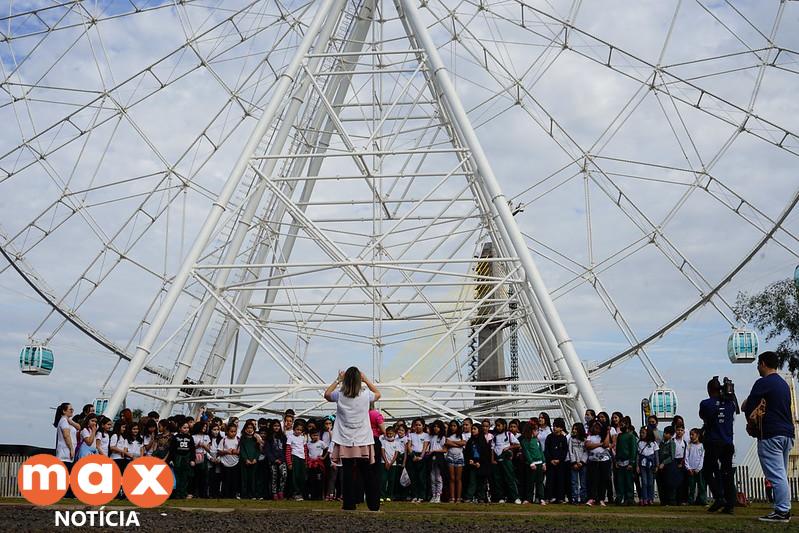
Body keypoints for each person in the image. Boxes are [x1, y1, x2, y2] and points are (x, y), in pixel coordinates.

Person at [743, 350, 795, 523]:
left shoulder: (763, 382)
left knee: (775, 474)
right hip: (788, 433)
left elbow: (750, 404)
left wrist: (750, 421)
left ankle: (782, 511)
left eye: (758, 364)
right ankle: (783, 508)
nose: (758, 367)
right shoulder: (783, 385)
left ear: (763, 363)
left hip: (771, 434)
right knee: (781, 473)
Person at [324, 367, 381, 511]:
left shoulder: (340, 395)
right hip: (363, 439)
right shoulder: (365, 395)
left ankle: (349, 503)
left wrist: (338, 380)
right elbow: (378, 394)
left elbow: (326, 394)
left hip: (345, 439)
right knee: (367, 472)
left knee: (347, 472)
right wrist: (366, 379)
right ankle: (373, 504)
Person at [699, 376, 736, 514]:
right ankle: (730, 504)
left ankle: (719, 497)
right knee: (727, 473)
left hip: (713, 442)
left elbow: (703, 416)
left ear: (709, 390)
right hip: (728, 442)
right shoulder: (730, 404)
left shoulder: (706, 403)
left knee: (707, 471)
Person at [491, 418, 521, 504]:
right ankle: (501, 497)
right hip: (497, 459)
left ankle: (515, 497)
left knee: (510, 478)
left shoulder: (508, 434)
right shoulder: (495, 437)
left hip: (506, 459)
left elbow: (517, 444)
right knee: (498, 479)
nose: (497, 427)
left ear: (504, 426)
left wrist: (508, 448)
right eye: (496, 425)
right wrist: (492, 460)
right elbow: (492, 449)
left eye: (499, 425)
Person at [54, 402, 80, 496]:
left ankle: (68, 492)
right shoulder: (63, 421)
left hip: (67, 451)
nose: (72, 411)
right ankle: (66, 493)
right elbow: (66, 435)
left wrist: (71, 421)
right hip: (65, 451)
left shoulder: (67, 421)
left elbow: (78, 427)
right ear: (64, 411)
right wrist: (72, 449)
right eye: (70, 409)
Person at [586, 420, 611, 507]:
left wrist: (607, 433)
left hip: (604, 460)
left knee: (603, 480)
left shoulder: (604, 436)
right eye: (595, 427)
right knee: (593, 480)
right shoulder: (590, 436)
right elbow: (588, 446)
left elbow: (606, 444)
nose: (596, 429)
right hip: (593, 461)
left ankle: (601, 498)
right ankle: (592, 498)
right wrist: (600, 444)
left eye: (598, 428)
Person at [463, 423, 491, 503]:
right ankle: (469, 496)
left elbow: (485, 454)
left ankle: (481, 497)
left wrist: (480, 462)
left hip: (482, 465)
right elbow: (467, 452)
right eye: (472, 429)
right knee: (472, 481)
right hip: (472, 464)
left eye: (475, 429)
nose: (472, 430)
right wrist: (470, 460)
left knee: (481, 482)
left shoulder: (483, 441)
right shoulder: (470, 441)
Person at [521, 421, 546, 505]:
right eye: (535, 430)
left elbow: (541, 452)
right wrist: (531, 462)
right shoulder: (525, 441)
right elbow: (526, 453)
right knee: (530, 482)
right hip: (532, 464)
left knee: (540, 482)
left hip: (539, 463)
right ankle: (529, 498)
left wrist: (543, 462)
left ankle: (541, 498)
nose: (537, 432)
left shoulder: (536, 440)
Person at [170, 421, 196, 499]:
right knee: (177, 476)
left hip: (186, 459)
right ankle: (177, 494)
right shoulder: (175, 437)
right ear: (180, 428)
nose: (186, 429)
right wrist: (171, 459)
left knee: (185, 477)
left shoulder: (190, 437)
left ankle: (183, 493)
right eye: (184, 428)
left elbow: (192, 450)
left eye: (187, 428)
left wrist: (192, 460)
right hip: (177, 459)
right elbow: (172, 449)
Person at [544, 418, 568, 504]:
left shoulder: (563, 438)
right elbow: (546, 450)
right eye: (554, 426)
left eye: (557, 426)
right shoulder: (549, 437)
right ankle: (548, 497)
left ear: (561, 428)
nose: (554, 428)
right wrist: (550, 459)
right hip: (550, 463)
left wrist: (560, 460)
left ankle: (560, 498)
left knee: (560, 480)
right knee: (550, 480)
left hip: (560, 463)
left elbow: (565, 451)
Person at [614, 416, 637, 506]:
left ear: (627, 425)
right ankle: (620, 497)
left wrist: (631, 462)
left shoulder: (631, 436)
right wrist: (616, 460)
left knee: (629, 481)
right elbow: (618, 449)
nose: (621, 426)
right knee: (620, 481)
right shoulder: (620, 436)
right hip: (620, 461)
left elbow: (633, 450)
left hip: (628, 461)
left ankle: (629, 498)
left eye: (622, 424)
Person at [407, 417, 430, 502]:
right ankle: (414, 495)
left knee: (421, 477)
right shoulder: (411, 435)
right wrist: (413, 456)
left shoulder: (426, 435)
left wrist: (421, 456)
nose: (417, 427)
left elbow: (425, 446)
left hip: (422, 456)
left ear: (423, 426)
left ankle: (421, 496)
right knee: (413, 477)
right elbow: (409, 446)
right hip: (413, 455)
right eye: (416, 425)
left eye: (419, 425)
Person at [444, 420, 467, 503]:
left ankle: (459, 497)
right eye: (451, 426)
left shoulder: (462, 435)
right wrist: (458, 444)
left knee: (458, 478)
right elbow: (447, 443)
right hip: (450, 457)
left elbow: (463, 443)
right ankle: (452, 497)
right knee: (452, 478)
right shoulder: (447, 435)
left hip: (459, 457)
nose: (453, 427)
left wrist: (452, 443)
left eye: (454, 426)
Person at [285, 420, 307, 501]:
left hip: (302, 459)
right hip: (294, 457)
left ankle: (301, 493)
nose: (299, 431)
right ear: (294, 429)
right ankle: (295, 493)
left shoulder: (302, 438)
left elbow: (305, 450)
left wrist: (306, 462)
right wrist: (289, 462)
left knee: (302, 477)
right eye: (297, 429)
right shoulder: (290, 437)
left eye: (300, 430)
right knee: (295, 477)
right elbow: (288, 450)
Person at [265, 419, 287, 500]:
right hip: (272, 461)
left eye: (278, 426)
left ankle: (281, 491)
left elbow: (286, 449)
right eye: (275, 426)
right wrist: (274, 460)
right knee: (274, 476)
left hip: (282, 460)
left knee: (284, 475)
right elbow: (267, 450)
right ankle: (274, 493)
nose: (276, 427)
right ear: (272, 427)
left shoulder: (283, 437)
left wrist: (282, 459)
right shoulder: (269, 438)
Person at [637, 426, 658, 506]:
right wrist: (637, 466)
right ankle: (644, 498)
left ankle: (650, 498)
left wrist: (657, 465)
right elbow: (638, 456)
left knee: (651, 482)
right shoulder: (639, 443)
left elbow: (656, 455)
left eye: (643, 433)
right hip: (642, 465)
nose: (641, 434)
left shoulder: (653, 443)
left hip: (651, 465)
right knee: (644, 482)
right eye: (641, 433)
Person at [379, 425, 402, 502]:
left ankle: (389, 495)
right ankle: (382, 495)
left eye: (391, 434)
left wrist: (391, 463)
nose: (389, 435)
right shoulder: (383, 442)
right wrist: (386, 462)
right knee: (383, 479)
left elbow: (396, 454)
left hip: (393, 464)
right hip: (383, 463)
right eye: (388, 434)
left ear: (394, 434)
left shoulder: (397, 443)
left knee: (391, 480)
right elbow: (382, 452)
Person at [567, 422, 588, 504]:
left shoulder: (585, 440)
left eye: (576, 429)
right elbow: (570, 451)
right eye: (573, 429)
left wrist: (582, 462)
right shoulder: (571, 440)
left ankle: (583, 498)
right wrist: (574, 462)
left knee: (583, 482)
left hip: (582, 464)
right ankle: (574, 498)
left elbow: (586, 452)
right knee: (574, 482)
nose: (574, 430)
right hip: (574, 464)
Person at [428, 420, 448, 503]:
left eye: (438, 427)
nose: (436, 428)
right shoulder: (431, 437)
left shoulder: (443, 437)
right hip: (431, 457)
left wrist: (435, 450)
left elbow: (445, 449)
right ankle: (433, 495)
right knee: (432, 478)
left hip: (439, 457)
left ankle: (438, 495)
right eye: (435, 426)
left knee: (438, 477)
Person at [685, 428, 706, 506]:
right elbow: (686, 457)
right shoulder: (689, 446)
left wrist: (698, 468)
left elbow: (702, 458)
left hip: (699, 469)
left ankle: (703, 500)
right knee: (691, 486)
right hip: (691, 469)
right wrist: (688, 468)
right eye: (690, 434)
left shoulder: (702, 446)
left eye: (692, 434)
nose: (691, 436)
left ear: (697, 435)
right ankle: (690, 501)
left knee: (701, 486)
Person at [657, 426, 677, 506]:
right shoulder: (661, 443)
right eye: (664, 432)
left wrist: (664, 463)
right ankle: (663, 500)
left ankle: (671, 500)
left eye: (667, 433)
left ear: (671, 435)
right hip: (661, 467)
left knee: (669, 484)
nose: (664, 434)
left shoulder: (672, 443)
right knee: (661, 484)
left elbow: (672, 456)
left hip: (669, 467)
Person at [240, 423, 260, 500]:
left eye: (251, 428)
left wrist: (255, 459)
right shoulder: (243, 439)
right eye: (248, 428)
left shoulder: (255, 439)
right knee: (244, 478)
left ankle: (253, 494)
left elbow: (258, 450)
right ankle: (244, 494)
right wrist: (246, 459)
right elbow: (242, 450)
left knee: (253, 479)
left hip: (254, 462)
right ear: (245, 429)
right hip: (245, 462)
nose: (249, 429)